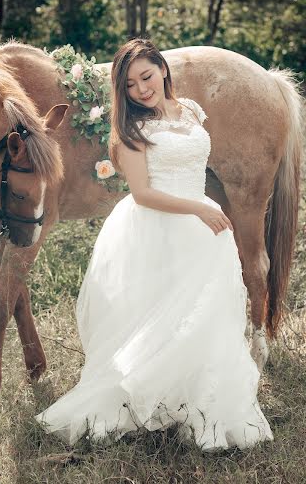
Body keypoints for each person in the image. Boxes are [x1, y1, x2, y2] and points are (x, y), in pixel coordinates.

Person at [36, 38, 273, 451]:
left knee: (204, 317)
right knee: (159, 316)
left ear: (163, 70)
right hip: (159, 225)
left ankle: (196, 399)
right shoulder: (131, 131)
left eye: (146, 76)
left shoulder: (192, 112)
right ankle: (147, 396)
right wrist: (199, 209)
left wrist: (203, 211)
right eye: (130, 85)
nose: (142, 89)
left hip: (201, 229)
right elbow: (142, 193)